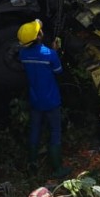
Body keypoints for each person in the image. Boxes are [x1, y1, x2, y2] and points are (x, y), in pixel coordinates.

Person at [17, 19, 70, 177]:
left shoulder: (23, 54)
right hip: (51, 100)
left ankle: (32, 163)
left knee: (35, 130)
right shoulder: (49, 54)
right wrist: (55, 51)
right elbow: (58, 71)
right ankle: (57, 168)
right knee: (55, 132)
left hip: (35, 100)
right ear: (39, 36)